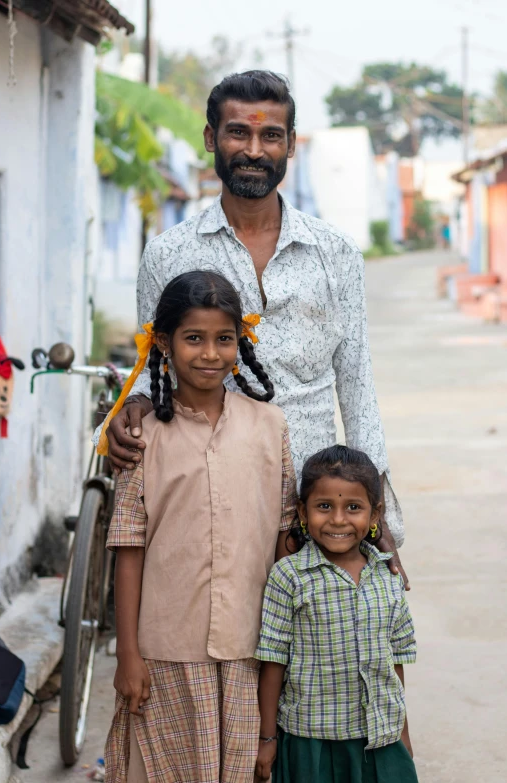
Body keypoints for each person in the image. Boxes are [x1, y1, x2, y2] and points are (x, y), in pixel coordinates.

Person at [101, 69, 409, 585]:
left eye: (271, 135)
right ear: (210, 139)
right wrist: (124, 413)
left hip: (318, 501)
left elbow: (357, 384)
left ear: (290, 146)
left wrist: (379, 514)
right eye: (238, 132)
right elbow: (150, 366)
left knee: (314, 653)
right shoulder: (169, 253)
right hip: (206, 493)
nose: (254, 149)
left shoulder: (335, 254)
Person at [104, 270, 297, 783]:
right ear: (164, 343)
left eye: (223, 339)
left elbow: (284, 541)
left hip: (249, 647)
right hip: (164, 648)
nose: (210, 353)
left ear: (241, 342)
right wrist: (128, 654)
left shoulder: (269, 426)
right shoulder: (141, 435)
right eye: (194, 338)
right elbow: (128, 546)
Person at [254, 445, 418, 783]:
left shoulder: (387, 578)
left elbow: (395, 662)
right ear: (302, 512)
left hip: (380, 738)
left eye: (353, 507)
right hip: (312, 741)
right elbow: (272, 662)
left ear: (375, 515)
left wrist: (402, 733)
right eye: (324, 506)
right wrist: (267, 738)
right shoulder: (289, 577)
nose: (338, 519)